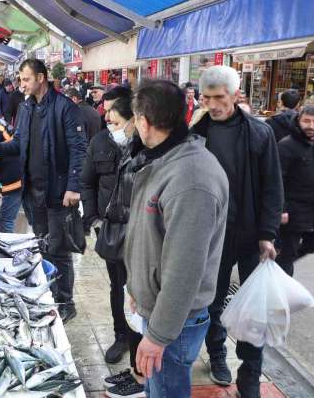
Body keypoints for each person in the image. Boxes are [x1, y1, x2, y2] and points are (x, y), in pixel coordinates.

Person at [120, 80, 229, 398]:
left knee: (167, 390)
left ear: (144, 121)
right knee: (157, 388)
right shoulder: (166, 159)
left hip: (175, 322)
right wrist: (136, 288)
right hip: (158, 310)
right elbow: (152, 239)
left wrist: (158, 334)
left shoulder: (191, 178)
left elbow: (184, 270)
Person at [191, 65, 283, 398]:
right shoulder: (195, 134)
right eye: (207, 97)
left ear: (235, 95)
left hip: (249, 234)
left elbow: (273, 186)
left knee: (253, 306)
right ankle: (217, 353)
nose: (213, 104)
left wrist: (268, 233)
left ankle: (250, 371)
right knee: (211, 302)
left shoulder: (260, 133)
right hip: (209, 236)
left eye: (220, 97)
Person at [0, 59, 87, 323]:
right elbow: (19, 144)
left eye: (26, 79)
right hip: (32, 190)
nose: (21, 84)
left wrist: (73, 187)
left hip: (58, 192)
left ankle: (65, 301)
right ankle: (48, 292)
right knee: (43, 243)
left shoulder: (65, 108)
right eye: (21, 79)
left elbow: (79, 150)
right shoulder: (25, 108)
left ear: (41, 78)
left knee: (59, 248)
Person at [80, 86, 143, 369]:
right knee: (118, 285)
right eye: (107, 119)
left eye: (115, 121)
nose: (109, 124)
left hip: (141, 232)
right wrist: (93, 219)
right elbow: (87, 182)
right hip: (111, 229)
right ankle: (121, 336)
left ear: (134, 120)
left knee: (139, 288)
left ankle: (138, 341)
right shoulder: (99, 143)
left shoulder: (145, 145)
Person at [277, 105, 314, 276]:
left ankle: (276, 266)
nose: (311, 125)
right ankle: (281, 292)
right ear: (299, 120)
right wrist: (282, 209)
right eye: (307, 121)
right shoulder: (287, 145)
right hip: (293, 211)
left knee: (313, 244)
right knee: (288, 253)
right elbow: (277, 180)